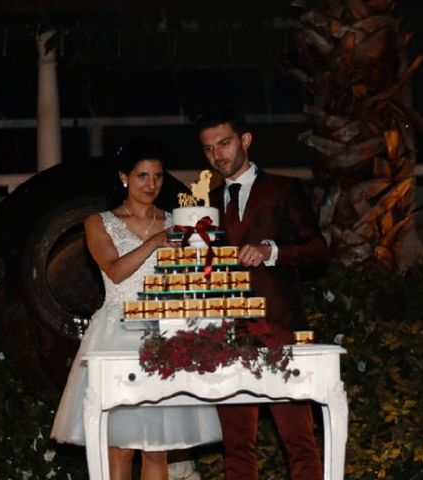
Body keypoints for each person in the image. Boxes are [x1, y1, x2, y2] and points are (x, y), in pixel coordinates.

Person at [50, 137, 221, 480]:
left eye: (157, 176)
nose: (152, 184)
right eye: (143, 176)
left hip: (164, 334)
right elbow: (113, 270)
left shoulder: (178, 220)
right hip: (117, 334)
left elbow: (193, 275)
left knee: (157, 446)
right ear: (125, 177)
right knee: (120, 446)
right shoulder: (99, 222)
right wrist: (155, 242)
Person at [196, 107, 329, 480]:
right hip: (227, 336)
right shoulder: (205, 203)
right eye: (208, 149)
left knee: (299, 443)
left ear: (245, 140)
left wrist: (272, 251)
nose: (217, 155)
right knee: (237, 449)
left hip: (280, 329)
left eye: (224, 143)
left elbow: (318, 249)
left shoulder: (284, 189)